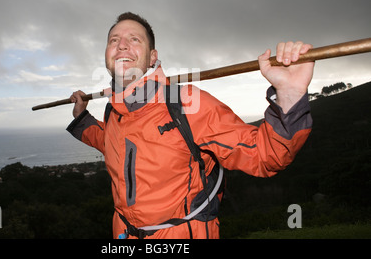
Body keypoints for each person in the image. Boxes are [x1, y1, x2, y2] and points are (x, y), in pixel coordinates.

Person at [67, 12, 314, 239]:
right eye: (114, 40)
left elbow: (266, 155)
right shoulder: (114, 111)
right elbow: (110, 143)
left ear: (152, 56)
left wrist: (289, 96)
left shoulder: (186, 104)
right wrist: (81, 118)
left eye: (134, 39)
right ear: (107, 54)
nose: (122, 45)